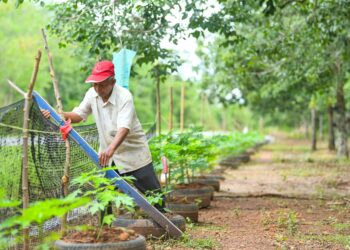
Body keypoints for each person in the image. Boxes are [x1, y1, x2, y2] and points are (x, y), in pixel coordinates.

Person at [41, 60, 164, 212]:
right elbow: (79, 115)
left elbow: (124, 128)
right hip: (109, 156)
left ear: (113, 82)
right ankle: (106, 229)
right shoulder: (92, 94)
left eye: (102, 84)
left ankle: (168, 225)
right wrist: (56, 113)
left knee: (154, 194)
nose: (98, 88)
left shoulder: (125, 97)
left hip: (133, 153)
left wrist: (111, 148)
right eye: (95, 84)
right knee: (104, 194)